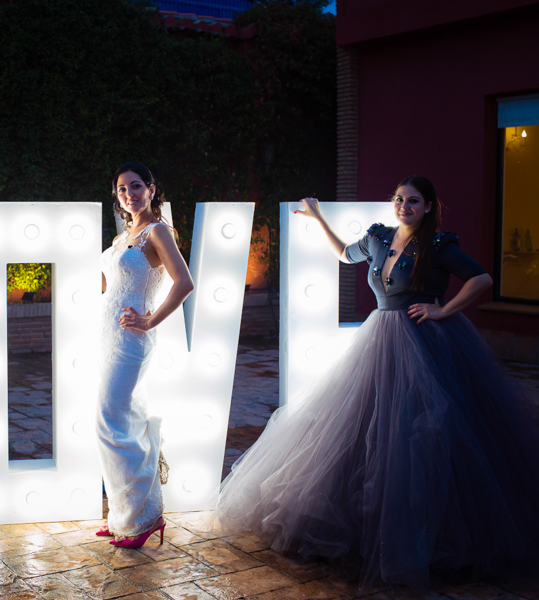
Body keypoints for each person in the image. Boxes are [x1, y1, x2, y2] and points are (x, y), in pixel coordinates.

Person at [208, 176, 539, 589]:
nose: (405, 206)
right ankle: (369, 529)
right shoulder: (378, 237)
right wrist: (317, 216)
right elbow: (346, 255)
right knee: (364, 432)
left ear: (429, 207)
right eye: (399, 199)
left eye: (414, 201)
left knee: (422, 437)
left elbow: (482, 280)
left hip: (423, 345)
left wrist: (444, 311)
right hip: (379, 336)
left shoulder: (439, 246)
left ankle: (429, 537)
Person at [96, 163, 194, 548]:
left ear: (152, 190)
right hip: (107, 338)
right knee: (122, 420)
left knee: (112, 419)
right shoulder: (125, 237)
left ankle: (142, 518)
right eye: (121, 190)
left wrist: (150, 320)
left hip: (132, 340)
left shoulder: (156, 231)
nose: (129, 195)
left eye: (136, 187)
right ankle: (125, 515)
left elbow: (184, 282)